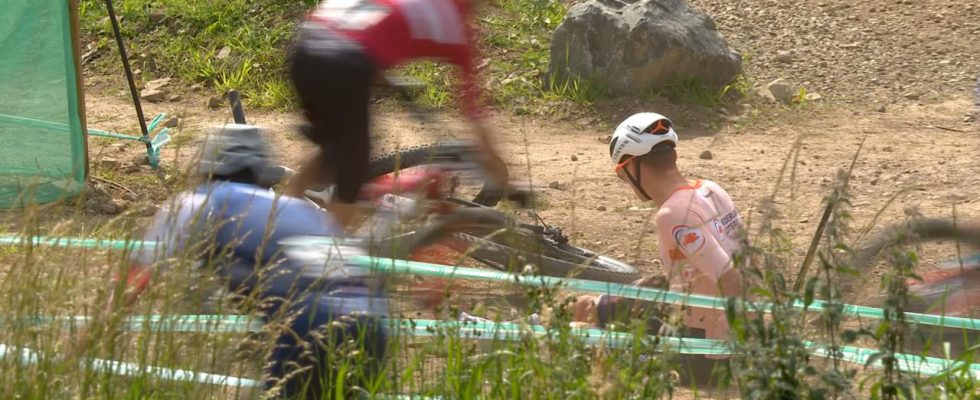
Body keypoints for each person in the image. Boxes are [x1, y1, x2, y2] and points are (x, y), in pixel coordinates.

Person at [80, 124, 388, 399]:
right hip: (371, 320)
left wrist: (80, 344)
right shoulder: (298, 209)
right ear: (259, 172)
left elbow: (132, 283)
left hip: (310, 322)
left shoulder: (197, 204)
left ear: (205, 169)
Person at [285, 0, 508, 225]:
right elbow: (474, 115)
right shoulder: (457, 29)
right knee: (351, 176)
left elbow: (357, 30)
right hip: (346, 61)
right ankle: (328, 252)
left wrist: (379, 74)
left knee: (335, 143)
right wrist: (506, 180)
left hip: (304, 45)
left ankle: (279, 212)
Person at [574, 112, 745, 344]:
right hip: (699, 319)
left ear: (632, 166)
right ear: (673, 154)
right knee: (586, 305)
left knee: (581, 333)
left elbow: (731, 279)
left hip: (700, 342)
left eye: (621, 174)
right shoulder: (711, 189)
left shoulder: (673, 214)